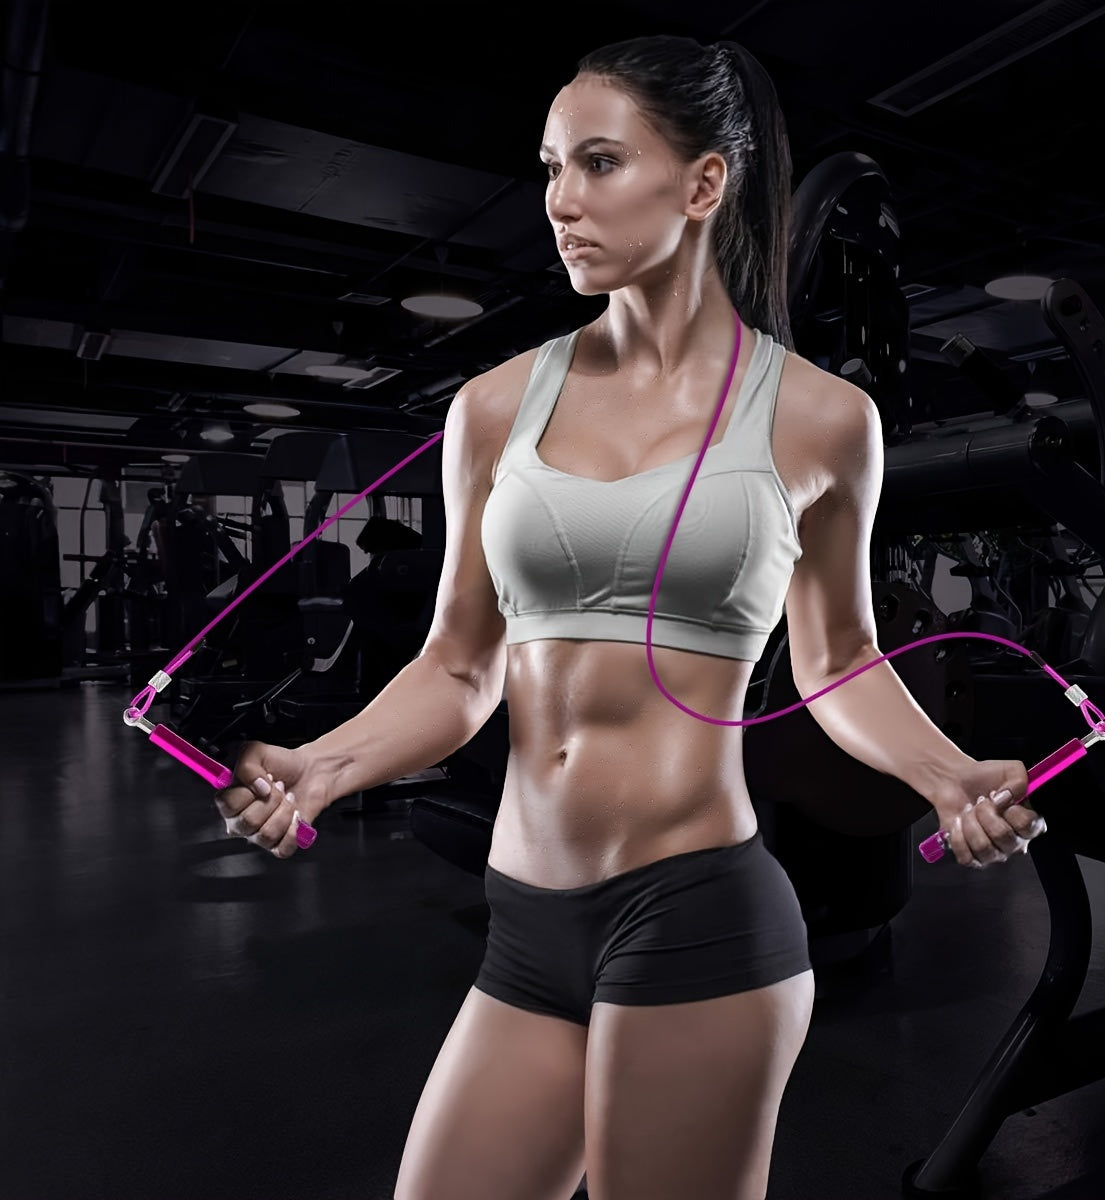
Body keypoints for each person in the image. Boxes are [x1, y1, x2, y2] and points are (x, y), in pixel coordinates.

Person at [213, 34, 1046, 1200]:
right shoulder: (494, 406)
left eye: (598, 164)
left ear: (705, 183)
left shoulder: (820, 419)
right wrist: (320, 766)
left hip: (699, 909)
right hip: (523, 922)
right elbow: (458, 666)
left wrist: (949, 775)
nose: (559, 201)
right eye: (551, 167)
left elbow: (840, 656)